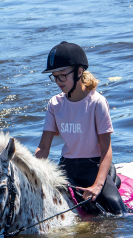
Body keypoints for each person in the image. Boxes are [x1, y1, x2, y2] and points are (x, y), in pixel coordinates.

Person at [34, 42, 127, 215]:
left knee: (118, 209)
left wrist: (98, 185)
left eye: (62, 76)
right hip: (65, 168)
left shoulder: (97, 103)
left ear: (78, 72)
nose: (58, 82)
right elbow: (44, 147)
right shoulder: (54, 104)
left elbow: (106, 150)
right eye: (54, 77)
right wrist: (29, 169)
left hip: (93, 166)